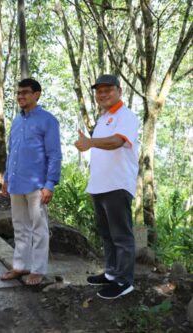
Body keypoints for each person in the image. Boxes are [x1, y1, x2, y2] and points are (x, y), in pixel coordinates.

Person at [75, 74, 140, 299]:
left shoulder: (126, 116)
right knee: (107, 233)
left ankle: (124, 281)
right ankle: (112, 273)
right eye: (99, 91)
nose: (102, 94)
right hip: (100, 185)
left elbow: (117, 142)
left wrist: (89, 142)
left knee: (121, 234)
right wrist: (89, 142)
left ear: (119, 91)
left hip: (117, 184)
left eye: (107, 90)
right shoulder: (103, 119)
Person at [0, 78, 62, 285]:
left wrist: (49, 184)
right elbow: (12, 152)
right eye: (18, 93)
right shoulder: (17, 121)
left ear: (37, 94)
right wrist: (7, 179)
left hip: (37, 184)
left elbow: (54, 155)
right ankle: (20, 266)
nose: (20, 96)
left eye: (25, 92)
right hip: (16, 182)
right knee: (19, 225)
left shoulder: (48, 120)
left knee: (38, 227)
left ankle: (37, 270)